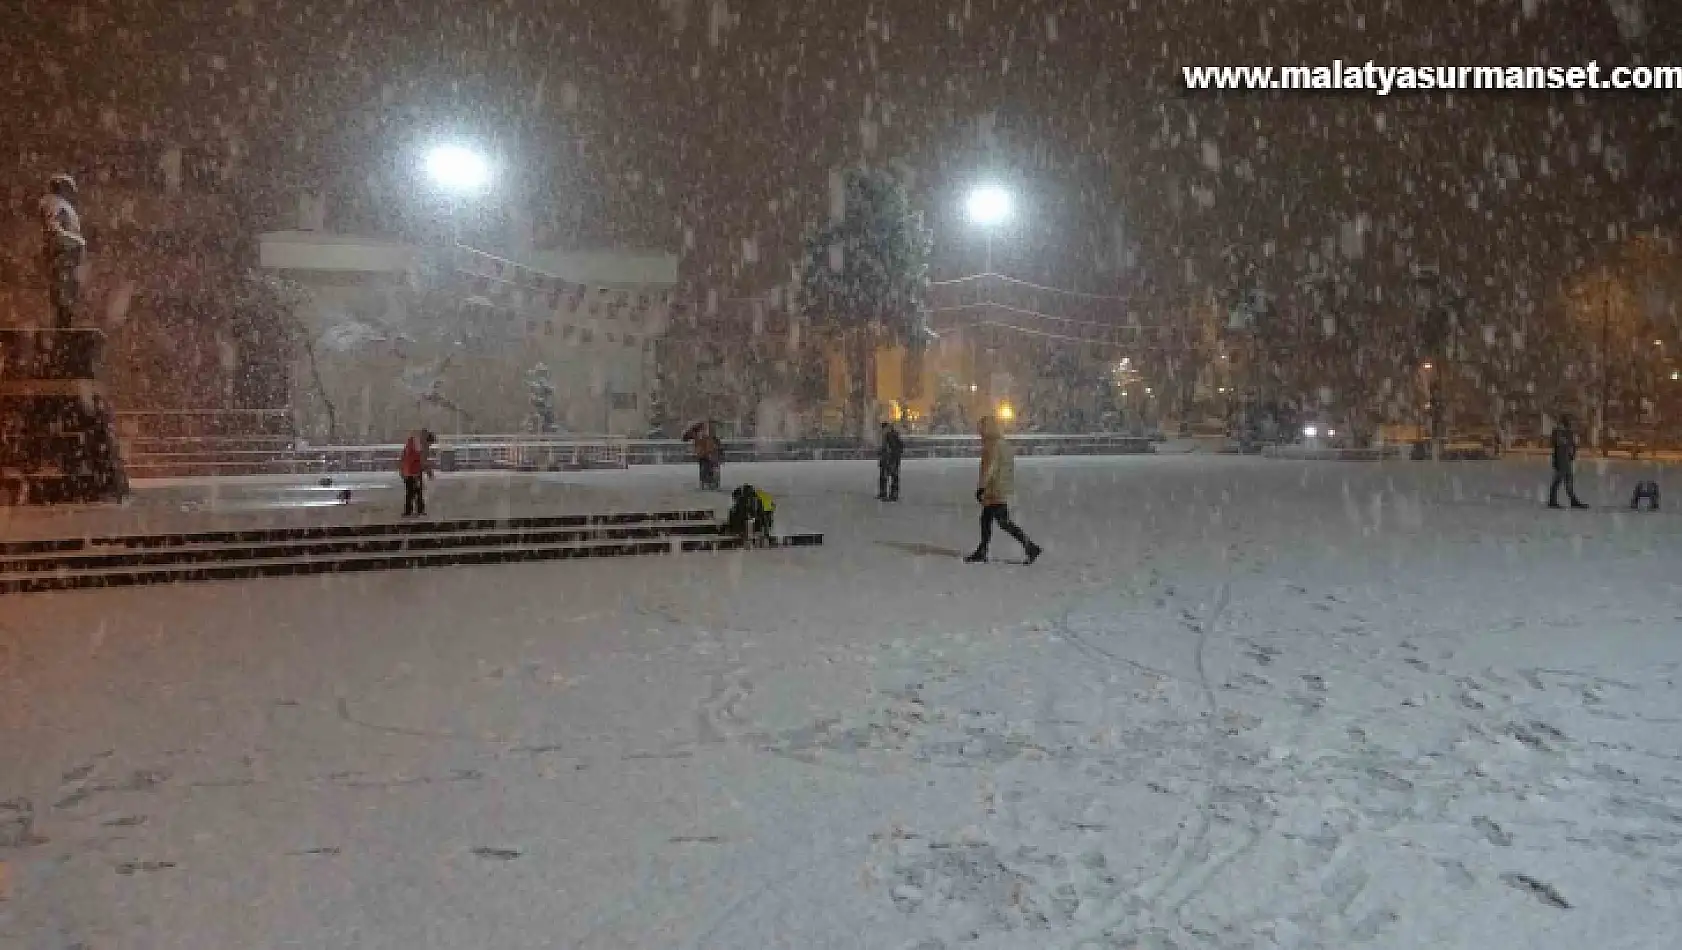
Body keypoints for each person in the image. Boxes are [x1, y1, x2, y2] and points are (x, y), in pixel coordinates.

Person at [966, 416, 1041, 564]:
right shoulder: (1003, 444)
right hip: (1001, 487)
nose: (979, 431)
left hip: (993, 489)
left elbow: (990, 468)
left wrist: (982, 487)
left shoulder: (992, 445)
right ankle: (983, 550)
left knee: (1002, 522)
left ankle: (1030, 546)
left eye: (981, 428)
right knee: (988, 519)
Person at [40, 173, 86, 328]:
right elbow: (54, 229)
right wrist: (76, 242)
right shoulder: (54, 203)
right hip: (63, 252)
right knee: (63, 293)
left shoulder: (62, 205)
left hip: (66, 253)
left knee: (67, 293)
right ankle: (63, 327)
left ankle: (64, 326)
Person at [1548, 414, 1588, 509]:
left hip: (1566, 459)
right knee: (1558, 480)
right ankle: (1553, 500)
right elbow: (1558, 444)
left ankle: (1572, 500)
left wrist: (1572, 453)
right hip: (1561, 459)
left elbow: (1572, 445)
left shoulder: (1568, 432)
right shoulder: (1558, 432)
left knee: (1567, 480)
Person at [399, 429, 437, 516]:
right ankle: (414, 510)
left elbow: (405, 457)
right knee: (415, 491)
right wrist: (428, 471)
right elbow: (421, 461)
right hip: (413, 471)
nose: (430, 446)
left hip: (409, 471)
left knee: (413, 491)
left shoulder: (413, 443)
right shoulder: (420, 446)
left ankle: (412, 510)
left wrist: (402, 470)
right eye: (430, 443)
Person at [877, 421, 904, 501]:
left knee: (890, 476)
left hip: (890, 459)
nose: (883, 430)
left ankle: (891, 495)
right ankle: (888, 494)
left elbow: (891, 448)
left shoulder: (891, 435)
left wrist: (889, 457)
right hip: (890, 459)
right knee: (888, 476)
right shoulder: (889, 435)